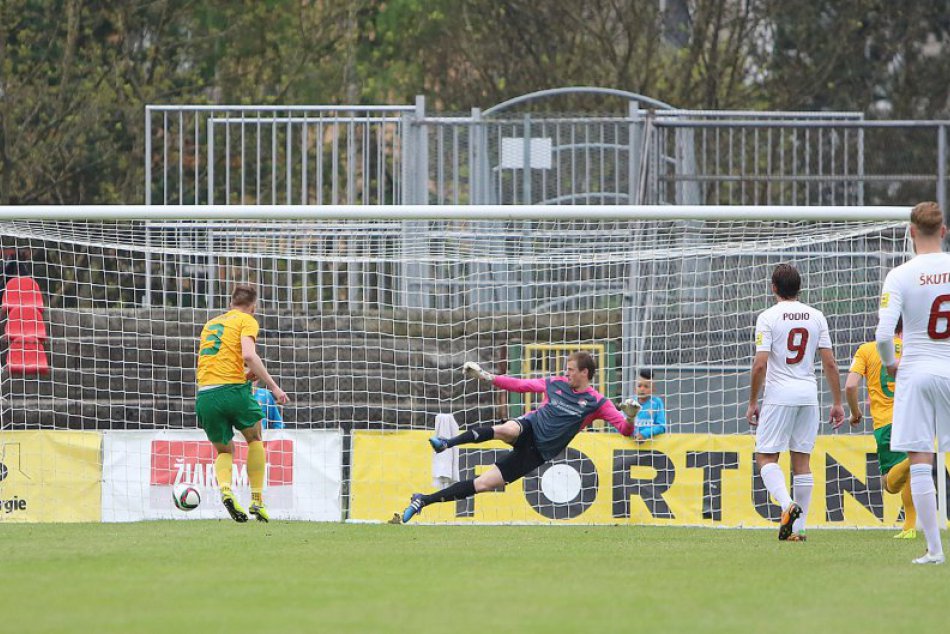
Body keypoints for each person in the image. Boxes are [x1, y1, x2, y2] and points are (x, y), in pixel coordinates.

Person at [400, 351, 641, 523]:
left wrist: (630, 418)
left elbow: (624, 430)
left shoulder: (598, 402)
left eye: (570, 370)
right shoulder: (555, 383)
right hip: (529, 426)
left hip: (538, 453)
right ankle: (446, 443)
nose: (566, 373)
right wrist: (486, 377)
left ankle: (423, 500)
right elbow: (520, 385)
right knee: (506, 429)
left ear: (584, 373)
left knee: (482, 484)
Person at [747, 263, 844, 542]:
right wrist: (837, 402)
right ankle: (798, 530)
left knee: (765, 457)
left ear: (774, 288)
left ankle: (788, 505)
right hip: (808, 395)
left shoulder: (768, 317)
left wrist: (753, 400)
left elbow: (759, 365)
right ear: (799, 288)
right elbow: (830, 363)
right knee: (802, 461)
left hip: (779, 395)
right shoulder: (816, 317)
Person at [875, 201, 950, 565]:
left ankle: (934, 551)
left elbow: (884, 333)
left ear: (910, 232)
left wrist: (891, 365)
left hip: (916, 370)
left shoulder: (900, 274)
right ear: (944, 231)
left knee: (920, 460)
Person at [195, 284, 289, 523]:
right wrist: (274, 387)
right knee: (255, 438)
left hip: (205, 395)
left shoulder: (210, 325)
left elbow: (219, 362)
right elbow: (248, 354)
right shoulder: (247, 320)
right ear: (253, 307)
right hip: (233, 392)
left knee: (224, 450)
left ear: (230, 303)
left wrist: (246, 375)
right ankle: (257, 501)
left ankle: (226, 490)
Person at [845, 320, 917, 539]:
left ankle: (913, 459)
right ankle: (910, 527)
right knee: (910, 476)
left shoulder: (867, 350)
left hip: (887, 423)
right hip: (913, 417)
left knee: (890, 484)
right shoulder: (914, 347)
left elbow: (850, 385)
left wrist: (855, 413)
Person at [632, 369, 667, 441]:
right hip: (631, 444)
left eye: (646, 386)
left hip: (653, 445)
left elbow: (662, 426)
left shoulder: (657, 403)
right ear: (635, 389)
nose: (642, 389)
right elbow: (622, 426)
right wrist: (635, 434)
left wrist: (644, 434)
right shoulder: (630, 403)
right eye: (639, 386)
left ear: (653, 389)